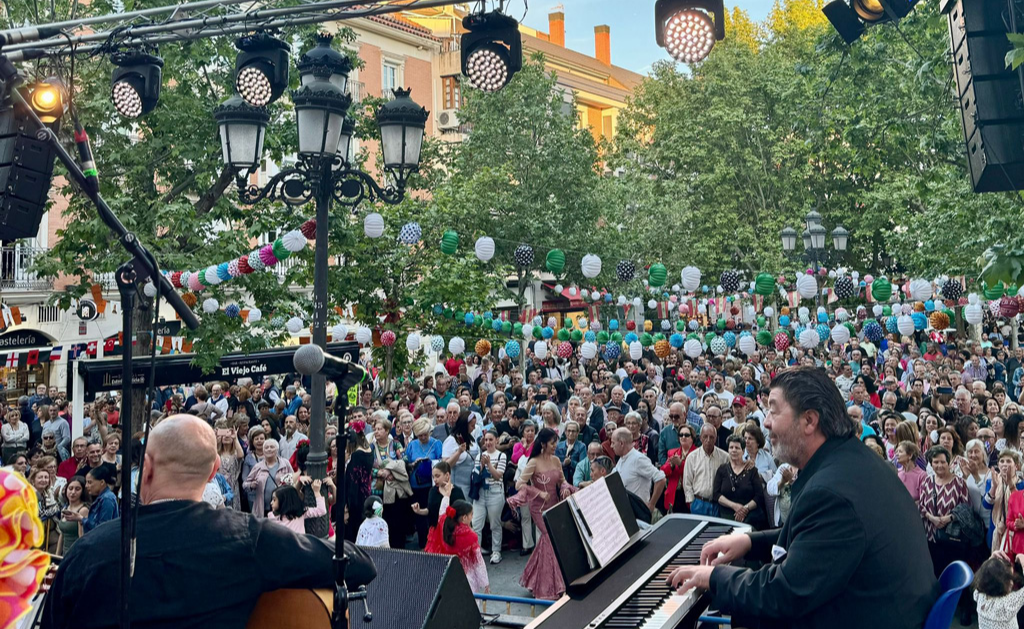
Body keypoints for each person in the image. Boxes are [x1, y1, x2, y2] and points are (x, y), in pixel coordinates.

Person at [41, 414, 376, 629]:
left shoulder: (88, 550)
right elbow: (359, 564)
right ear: (215, 470)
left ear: (147, 467)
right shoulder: (247, 538)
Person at [667, 366, 937, 629]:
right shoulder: (853, 462)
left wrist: (715, 577)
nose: (767, 422)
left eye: (773, 410)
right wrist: (750, 541)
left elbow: (784, 593)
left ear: (809, 420)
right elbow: (816, 539)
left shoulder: (831, 493)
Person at [507, 427, 576, 600]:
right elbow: (519, 484)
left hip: (554, 505)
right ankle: (550, 587)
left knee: (548, 543)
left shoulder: (556, 460)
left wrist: (566, 489)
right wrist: (538, 493)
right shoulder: (533, 462)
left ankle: (534, 579)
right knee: (548, 539)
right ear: (543, 444)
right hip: (538, 509)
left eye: (556, 443)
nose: (555, 446)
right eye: (552, 443)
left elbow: (563, 481)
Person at [425, 499, 489, 593]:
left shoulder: (444, 524)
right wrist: (485, 583)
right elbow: (478, 561)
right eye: (471, 514)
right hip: (466, 577)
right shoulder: (470, 536)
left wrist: (446, 496)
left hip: (447, 574)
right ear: (464, 517)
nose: (472, 517)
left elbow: (442, 511)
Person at [713, 435, 768, 529]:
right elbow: (716, 494)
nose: (734, 450)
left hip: (750, 518)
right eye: (731, 447)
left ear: (743, 451)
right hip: (726, 518)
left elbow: (759, 496)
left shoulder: (752, 470)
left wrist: (744, 509)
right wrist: (734, 506)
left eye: (737, 448)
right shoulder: (722, 469)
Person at [405, 419, 443, 548]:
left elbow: (442, 462)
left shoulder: (436, 443)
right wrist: (414, 463)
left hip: (432, 484)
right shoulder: (412, 444)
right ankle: (423, 543)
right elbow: (406, 463)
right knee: (419, 514)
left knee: (432, 512)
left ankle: (435, 542)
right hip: (416, 485)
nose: (422, 437)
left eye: (425, 434)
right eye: (420, 435)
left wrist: (430, 461)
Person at [610, 427, 666, 514]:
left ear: (621, 443)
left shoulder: (638, 459)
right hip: (626, 512)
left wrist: (651, 504)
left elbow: (661, 479)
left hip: (639, 513)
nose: (611, 446)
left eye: (613, 443)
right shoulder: (621, 459)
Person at [472, 430, 507, 564]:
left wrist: (489, 465)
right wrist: (482, 464)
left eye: (491, 440)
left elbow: (498, 475)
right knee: (476, 523)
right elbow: (476, 475)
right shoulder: (479, 456)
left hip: (495, 492)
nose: (488, 443)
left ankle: (496, 551)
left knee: (494, 523)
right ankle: (476, 552)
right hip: (480, 493)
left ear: (496, 440)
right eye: (486, 440)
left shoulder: (501, 456)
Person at [682, 423, 729, 516]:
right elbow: (687, 482)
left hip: (718, 504)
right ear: (700, 438)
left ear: (716, 439)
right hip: (699, 503)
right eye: (705, 437)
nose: (708, 440)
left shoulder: (725, 457)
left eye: (712, 437)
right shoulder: (692, 457)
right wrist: (691, 502)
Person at [242, 438, 294, 519]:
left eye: (272, 447)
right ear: (263, 451)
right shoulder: (258, 466)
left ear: (277, 449)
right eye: (266, 447)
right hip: (262, 508)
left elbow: (292, 481)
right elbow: (245, 484)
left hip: (282, 507)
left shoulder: (285, 464)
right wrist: (251, 485)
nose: (269, 449)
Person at [973, 551, 1024, 628]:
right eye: (1009, 578)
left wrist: (990, 561)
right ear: (1002, 584)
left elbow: (983, 576)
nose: (1012, 582)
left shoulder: (979, 595)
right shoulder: (1007, 604)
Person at [661, 425, 696, 513]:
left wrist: (680, 464)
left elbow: (694, 473)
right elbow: (663, 472)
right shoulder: (672, 452)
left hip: (689, 495)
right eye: (681, 435)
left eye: (686, 435)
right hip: (674, 495)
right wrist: (672, 465)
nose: (683, 437)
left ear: (692, 438)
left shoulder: (697, 453)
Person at [56, 476, 90, 555]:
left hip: (75, 554)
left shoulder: (83, 510)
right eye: (70, 488)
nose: (73, 492)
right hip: (64, 553)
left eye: (77, 489)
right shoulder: (65, 508)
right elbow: (62, 534)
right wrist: (56, 555)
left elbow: (81, 537)